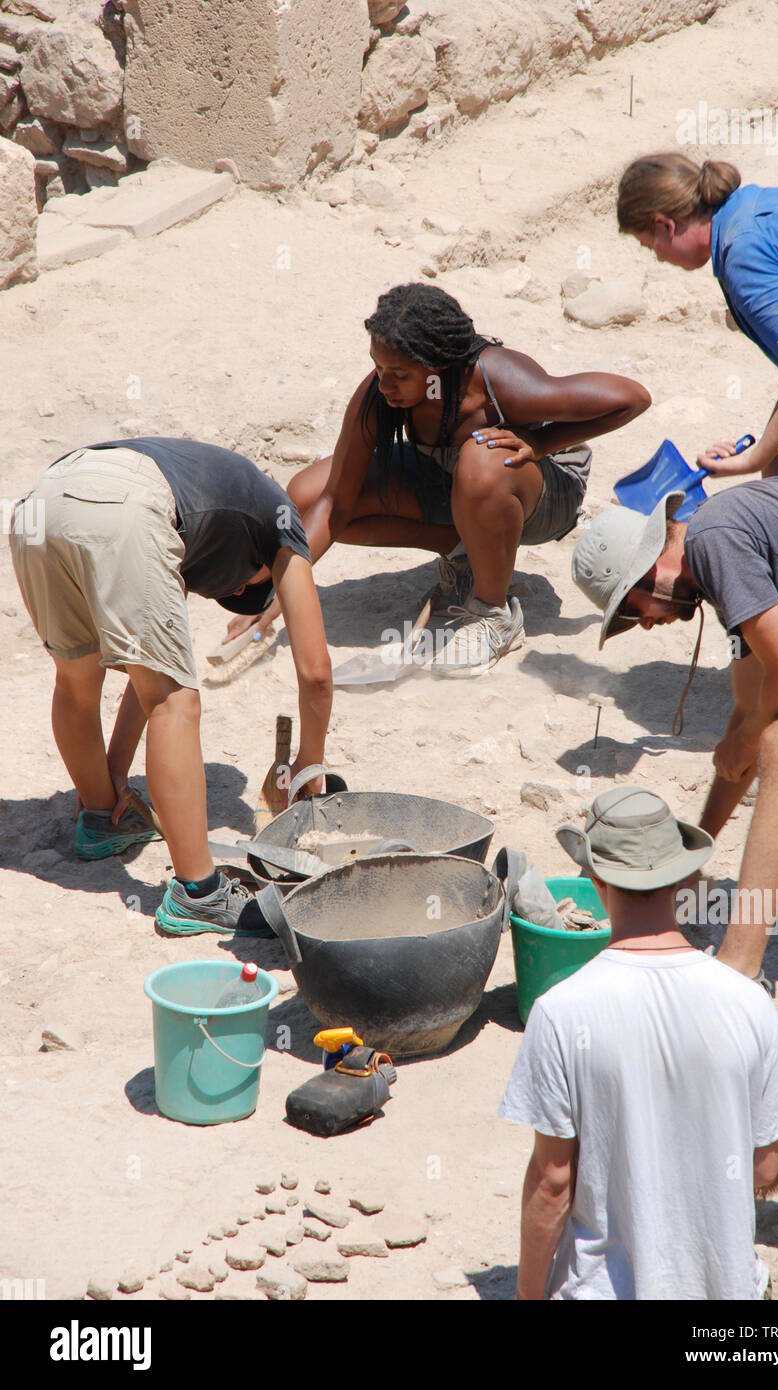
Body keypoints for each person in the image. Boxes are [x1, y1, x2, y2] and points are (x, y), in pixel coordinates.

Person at [224, 281, 651, 675]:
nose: (385, 385)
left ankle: (494, 615)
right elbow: (335, 504)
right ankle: (465, 555)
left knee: (482, 460)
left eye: (401, 375)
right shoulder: (381, 395)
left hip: (540, 491)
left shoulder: (500, 380)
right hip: (455, 478)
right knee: (304, 496)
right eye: (378, 368)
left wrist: (543, 443)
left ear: (439, 367)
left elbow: (632, 398)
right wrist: (281, 588)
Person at [9, 437, 332, 935]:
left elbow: (146, 670)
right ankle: (198, 892)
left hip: (43, 502)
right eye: (245, 586)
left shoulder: (198, 509)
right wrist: (310, 763)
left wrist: (114, 770)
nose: (241, 588)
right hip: (126, 505)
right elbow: (315, 673)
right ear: (253, 579)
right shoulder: (281, 521)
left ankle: (100, 817)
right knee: (175, 702)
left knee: (77, 679)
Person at [499, 787, 778, 1300]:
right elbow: (766, 1165)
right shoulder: (749, 1003)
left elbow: (552, 1184)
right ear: (682, 878)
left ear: (594, 879)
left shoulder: (561, 1011)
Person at [570, 463, 778, 982]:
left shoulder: (714, 544)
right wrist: (694, 852)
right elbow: (749, 705)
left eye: (632, 606)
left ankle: (739, 964)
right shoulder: (721, 550)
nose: (642, 622)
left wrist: (752, 735)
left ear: (652, 566)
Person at [616, 152, 778, 479]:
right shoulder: (753, 210)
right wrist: (769, 457)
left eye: (650, 247)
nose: (659, 259)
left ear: (665, 226)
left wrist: (751, 461)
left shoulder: (742, 252)